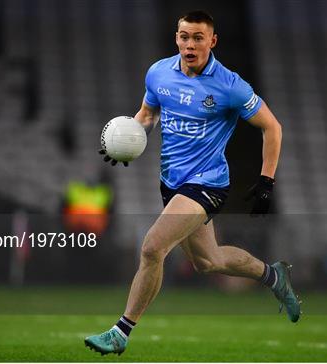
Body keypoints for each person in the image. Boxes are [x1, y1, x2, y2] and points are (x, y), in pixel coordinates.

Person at [86, 10, 301, 356]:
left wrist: (266, 182)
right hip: (171, 184)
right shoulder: (158, 73)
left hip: (208, 184)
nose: (190, 44)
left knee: (153, 247)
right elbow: (147, 114)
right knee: (209, 261)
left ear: (212, 41)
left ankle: (121, 332)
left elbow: (272, 127)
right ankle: (273, 276)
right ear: (176, 39)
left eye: (198, 38)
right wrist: (126, 139)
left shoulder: (230, 86)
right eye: (184, 36)